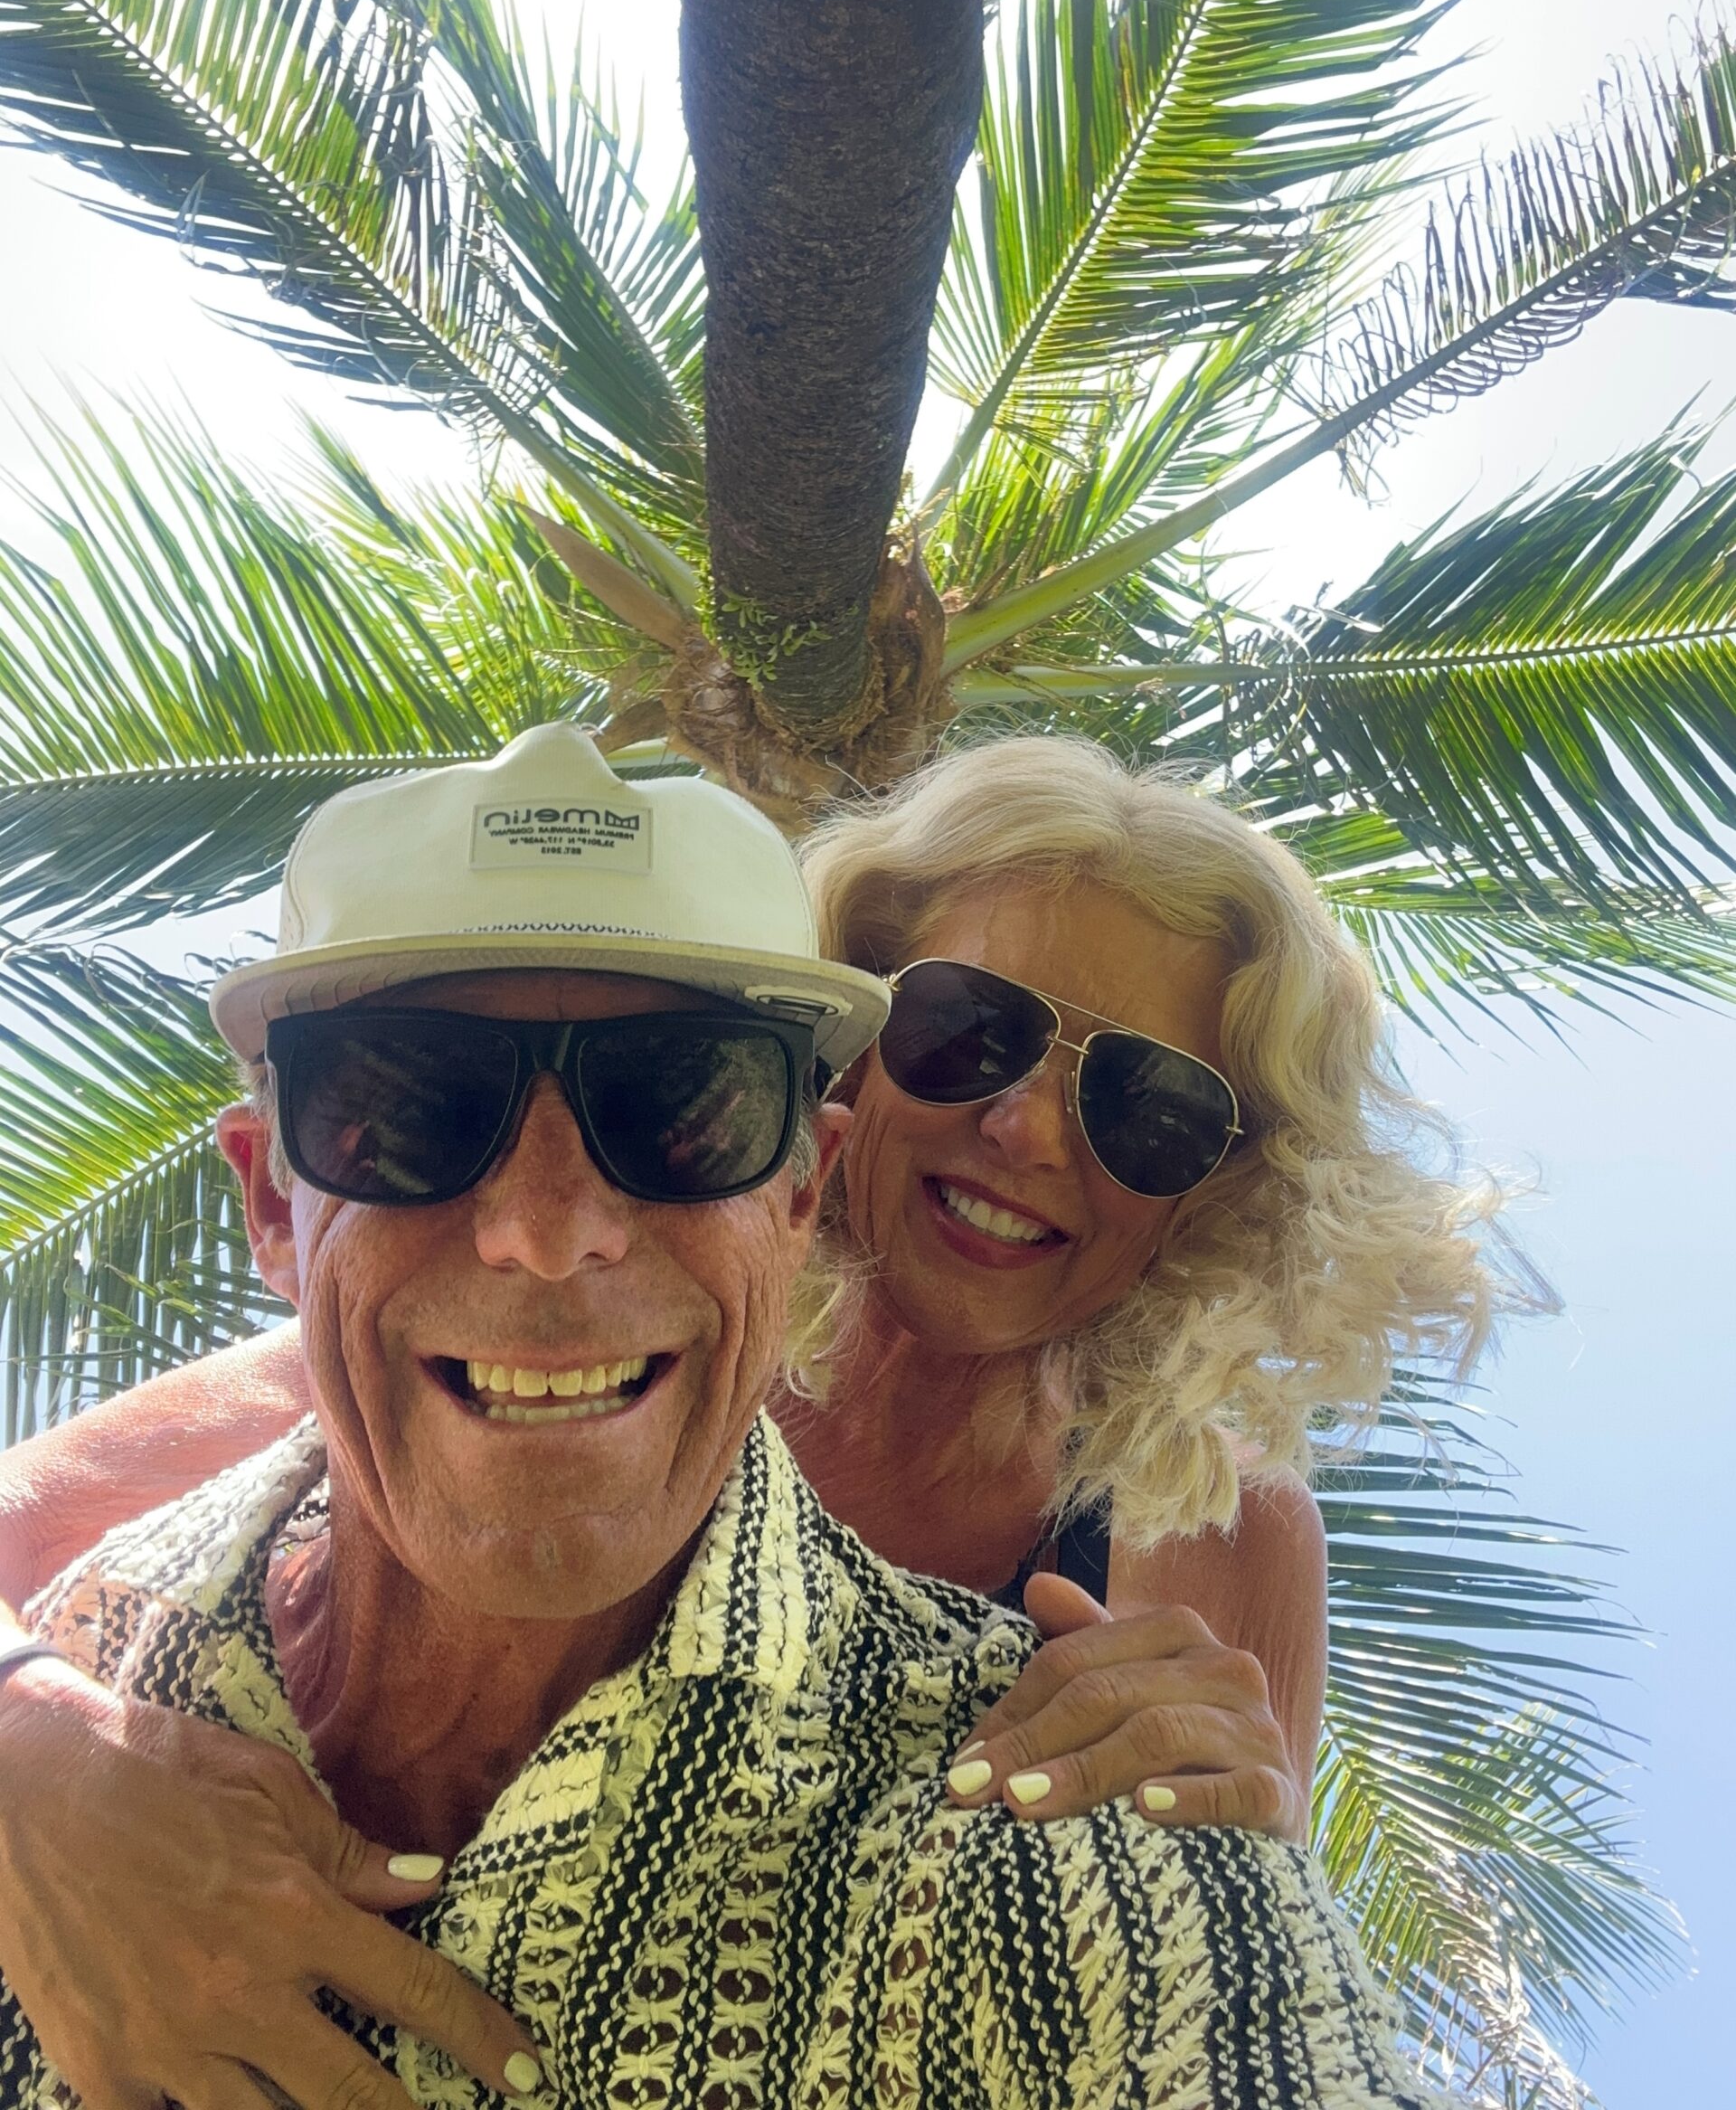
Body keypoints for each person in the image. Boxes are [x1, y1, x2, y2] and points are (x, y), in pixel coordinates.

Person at [0, 724, 1447, 2110]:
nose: (1032, 1129)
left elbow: (1219, 1969)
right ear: (851, 1057)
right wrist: (39, 1763)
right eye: (969, 1032)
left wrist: (1243, 1869)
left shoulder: (1213, 1531)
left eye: (1150, 1106)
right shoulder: (446, 1342)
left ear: (1219, 1186)